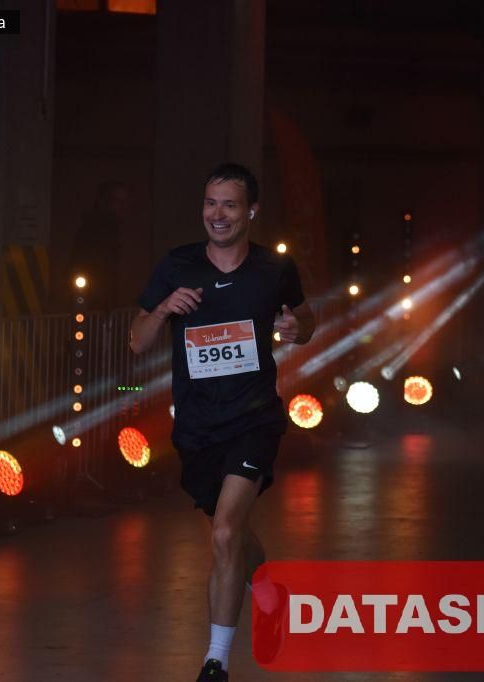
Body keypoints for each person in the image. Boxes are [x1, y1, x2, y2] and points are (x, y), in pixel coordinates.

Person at [129, 163, 316, 681]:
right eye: (211, 203)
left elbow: (307, 319)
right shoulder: (178, 265)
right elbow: (137, 341)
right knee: (228, 533)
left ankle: (216, 661)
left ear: (251, 211)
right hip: (196, 428)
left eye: (230, 205)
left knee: (226, 532)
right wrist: (164, 308)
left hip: (254, 419)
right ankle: (268, 589)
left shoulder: (273, 269)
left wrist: (297, 329)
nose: (218, 214)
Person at [66, 182, 129, 311]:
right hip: (92, 291)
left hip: (108, 293)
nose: (121, 207)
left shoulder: (116, 229)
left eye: (124, 202)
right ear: (104, 201)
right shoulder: (91, 228)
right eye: (116, 201)